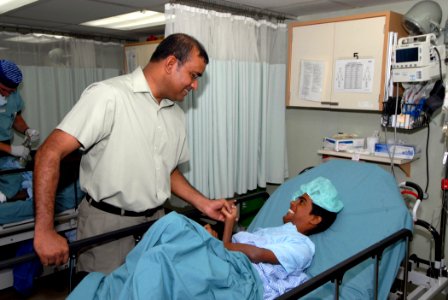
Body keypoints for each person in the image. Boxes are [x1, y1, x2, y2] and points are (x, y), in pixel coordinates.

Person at [33, 33, 233, 274]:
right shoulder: (109, 96)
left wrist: (204, 203)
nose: (195, 85)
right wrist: (44, 230)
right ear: (170, 64)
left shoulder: (175, 114)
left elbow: (167, 171)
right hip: (108, 226)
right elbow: (49, 153)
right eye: (194, 75)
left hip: (156, 224)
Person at [206, 176, 344, 300]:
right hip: (228, 267)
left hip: (243, 282)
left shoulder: (302, 246)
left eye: (301, 202)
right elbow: (231, 250)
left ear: (314, 219)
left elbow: (254, 254)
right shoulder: (272, 232)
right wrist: (225, 230)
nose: (292, 203)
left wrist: (215, 244)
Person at [0, 60, 39, 203]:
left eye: (11, 92)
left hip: (3, 150)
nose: (6, 94)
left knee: (19, 175)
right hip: (5, 148)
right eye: (3, 90)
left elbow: (16, 117)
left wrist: (27, 130)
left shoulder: (13, 95)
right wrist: (12, 149)